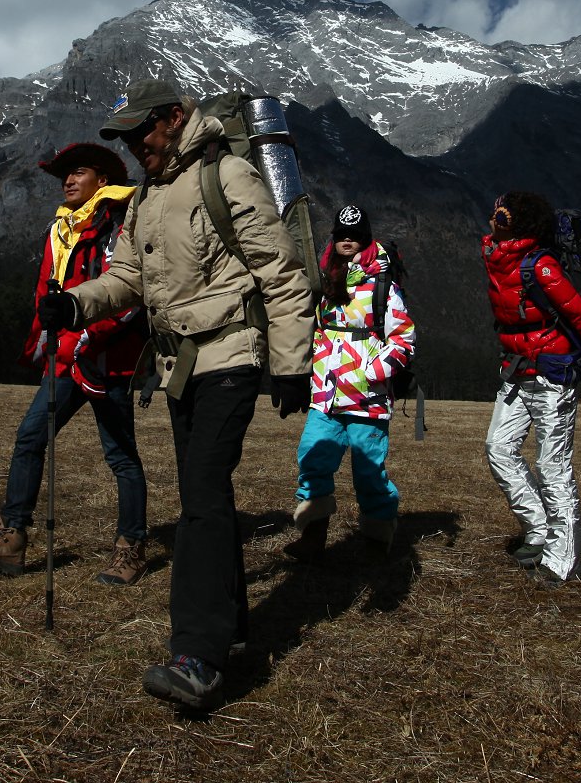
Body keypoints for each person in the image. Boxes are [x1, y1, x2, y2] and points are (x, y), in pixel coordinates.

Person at [40, 79, 315, 710]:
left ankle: (200, 655)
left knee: (201, 498)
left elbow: (282, 272)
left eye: (142, 133)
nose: (136, 146)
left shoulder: (232, 176)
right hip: (180, 366)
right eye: (127, 138)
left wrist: (292, 362)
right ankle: (234, 625)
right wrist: (74, 304)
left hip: (232, 357)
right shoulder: (147, 197)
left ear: (172, 118)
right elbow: (128, 278)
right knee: (204, 491)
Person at [0, 142, 151, 585]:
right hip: (63, 360)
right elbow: (46, 293)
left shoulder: (119, 225)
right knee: (29, 439)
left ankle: (131, 546)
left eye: (78, 172)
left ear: (103, 179)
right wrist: (47, 340)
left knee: (120, 456)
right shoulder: (61, 228)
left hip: (105, 361)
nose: (67, 180)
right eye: (65, 174)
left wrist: (84, 337)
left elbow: (130, 298)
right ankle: (12, 536)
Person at [481, 191, 581, 587]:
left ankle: (564, 560)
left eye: (504, 213)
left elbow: (580, 315)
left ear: (521, 224)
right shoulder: (499, 258)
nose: (496, 216)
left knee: (553, 468)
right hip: (517, 371)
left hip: (550, 376)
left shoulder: (541, 267)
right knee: (498, 448)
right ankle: (539, 528)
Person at [286, 204, 416, 563]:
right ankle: (313, 538)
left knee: (369, 472)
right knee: (312, 459)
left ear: (365, 239)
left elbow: (404, 338)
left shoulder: (382, 287)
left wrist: (371, 374)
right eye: (341, 234)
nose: (347, 241)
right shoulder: (324, 281)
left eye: (355, 236)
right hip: (325, 396)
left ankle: (376, 541)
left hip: (367, 399)